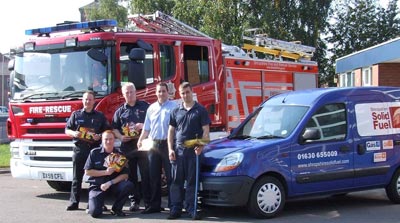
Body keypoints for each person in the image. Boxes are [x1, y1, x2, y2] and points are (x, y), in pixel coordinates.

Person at [167, 82, 211, 220]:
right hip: (178, 151)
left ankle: (191, 209)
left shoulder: (201, 110)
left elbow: (206, 131)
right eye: (182, 93)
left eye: (187, 92)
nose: (185, 95)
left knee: (192, 182)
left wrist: (202, 146)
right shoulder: (175, 111)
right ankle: (175, 209)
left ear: (192, 92)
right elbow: (171, 131)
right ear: (180, 95)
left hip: (193, 152)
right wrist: (170, 149)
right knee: (176, 182)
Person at [65, 90, 110, 211]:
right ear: (82, 100)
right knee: (77, 177)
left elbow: (107, 131)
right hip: (80, 149)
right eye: (85, 99)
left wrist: (99, 136)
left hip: (94, 151)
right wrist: (74, 133)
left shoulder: (100, 116)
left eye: (90, 99)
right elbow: (67, 130)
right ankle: (74, 202)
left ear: (94, 101)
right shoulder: (76, 115)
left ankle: (97, 201)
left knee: (96, 178)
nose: (87, 101)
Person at [137, 82, 177, 214]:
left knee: (171, 176)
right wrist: (141, 139)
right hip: (153, 145)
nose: (161, 94)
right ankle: (154, 205)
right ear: (156, 93)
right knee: (153, 176)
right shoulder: (151, 108)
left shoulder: (174, 107)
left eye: (163, 91)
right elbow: (146, 128)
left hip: (168, 144)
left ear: (168, 92)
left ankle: (173, 206)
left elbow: (178, 127)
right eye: (159, 91)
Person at [112, 82, 150, 212]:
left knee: (146, 174)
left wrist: (142, 125)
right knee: (132, 175)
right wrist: (121, 137)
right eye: (126, 92)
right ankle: (134, 202)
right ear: (123, 95)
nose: (129, 94)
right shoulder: (120, 111)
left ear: (135, 92)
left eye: (131, 92)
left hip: (144, 146)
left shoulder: (145, 107)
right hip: (127, 147)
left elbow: (153, 123)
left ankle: (149, 202)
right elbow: (114, 129)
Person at [85, 130, 134, 218]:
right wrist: (105, 172)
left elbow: (125, 175)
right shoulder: (94, 153)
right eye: (106, 139)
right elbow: (87, 172)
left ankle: (116, 209)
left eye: (110, 139)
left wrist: (110, 183)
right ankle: (95, 204)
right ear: (102, 140)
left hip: (113, 185)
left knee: (128, 185)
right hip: (97, 185)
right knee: (95, 213)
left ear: (114, 140)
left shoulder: (120, 154)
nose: (108, 141)